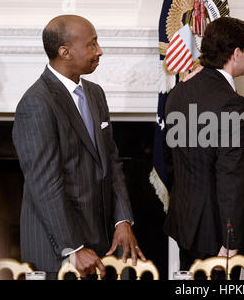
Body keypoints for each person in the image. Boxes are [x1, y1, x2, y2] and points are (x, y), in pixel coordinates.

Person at [12, 15, 145, 280]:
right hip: (59, 250)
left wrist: (123, 221)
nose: (100, 51)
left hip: (104, 241)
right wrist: (73, 247)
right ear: (65, 52)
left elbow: (111, 161)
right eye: (92, 44)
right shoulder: (36, 103)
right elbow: (45, 184)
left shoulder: (95, 94)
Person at [163, 17, 244, 278]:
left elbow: (171, 156)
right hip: (217, 235)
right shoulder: (229, 103)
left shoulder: (179, 91)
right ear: (236, 53)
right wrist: (231, 240)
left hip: (186, 223)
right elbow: (232, 177)